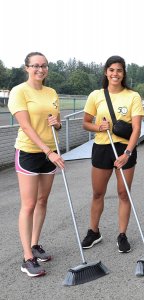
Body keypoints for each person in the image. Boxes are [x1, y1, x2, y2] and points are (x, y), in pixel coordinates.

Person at [80, 55, 144, 253]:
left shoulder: (133, 96)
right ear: (106, 72)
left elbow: (136, 129)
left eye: (119, 70)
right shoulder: (96, 95)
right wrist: (99, 127)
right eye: (112, 70)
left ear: (123, 73)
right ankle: (94, 231)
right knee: (98, 192)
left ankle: (122, 234)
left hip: (125, 149)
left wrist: (128, 152)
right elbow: (85, 123)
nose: (115, 74)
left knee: (124, 193)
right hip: (102, 147)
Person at [10, 52, 64, 277]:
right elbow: (27, 127)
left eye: (44, 66)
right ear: (26, 68)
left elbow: (57, 123)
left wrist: (57, 123)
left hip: (49, 152)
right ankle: (27, 258)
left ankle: (35, 244)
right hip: (30, 153)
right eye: (35, 66)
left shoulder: (51, 92)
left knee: (43, 200)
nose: (40, 69)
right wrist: (48, 152)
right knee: (29, 204)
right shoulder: (19, 91)